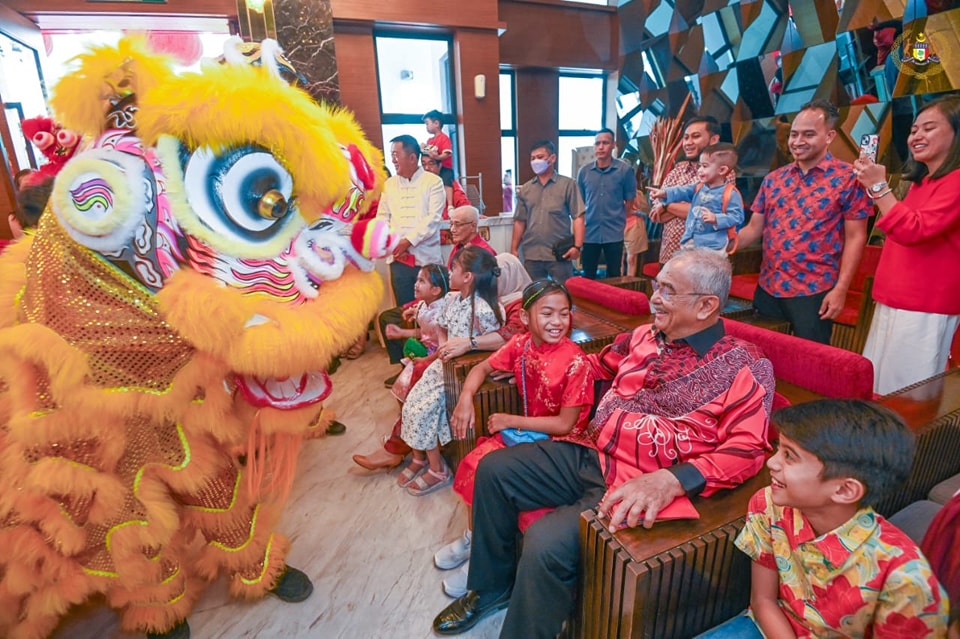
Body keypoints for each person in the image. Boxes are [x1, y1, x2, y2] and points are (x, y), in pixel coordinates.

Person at [432, 248, 776, 639]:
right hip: (591, 450)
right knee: (495, 469)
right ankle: (492, 588)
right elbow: (593, 366)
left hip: (638, 482)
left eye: (667, 290)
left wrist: (673, 480)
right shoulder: (643, 336)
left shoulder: (745, 365)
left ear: (706, 305)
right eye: (655, 286)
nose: (655, 298)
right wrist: (537, 364)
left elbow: (747, 451)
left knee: (545, 541)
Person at [695, 400, 949, 638]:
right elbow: (763, 600)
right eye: (779, 450)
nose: (772, 463)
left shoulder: (907, 580)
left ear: (844, 490)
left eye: (790, 456)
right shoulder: (769, 504)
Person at [435, 279, 595, 598]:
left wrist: (511, 420)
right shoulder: (522, 344)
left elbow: (566, 424)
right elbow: (481, 368)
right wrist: (466, 397)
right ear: (525, 318)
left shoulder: (576, 361)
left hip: (562, 447)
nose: (557, 322)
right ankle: (474, 537)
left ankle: (486, 558)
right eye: (547, 313)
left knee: (487, 463)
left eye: (564, 314)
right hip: (528, 436)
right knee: (475, 462)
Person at [351, 254, 530, 472]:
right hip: (451, 358)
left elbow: (508, 339)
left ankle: (408, 451)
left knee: (419, 381)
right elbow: (445, 326)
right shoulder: (471, 299)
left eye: (497, 274)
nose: (492, 278)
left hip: (469, 365)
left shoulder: (511, 305)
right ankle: (408, 446)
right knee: (414, 388)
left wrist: (466, 344)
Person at [737, 99, 870, 344]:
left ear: (829, 136)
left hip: (814, 290)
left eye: (808, 135)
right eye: (794, 134)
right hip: (768, 286)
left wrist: (840, 289)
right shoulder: (774, 179)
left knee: (810, 366)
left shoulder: (848, 179)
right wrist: (719, 245)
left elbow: (856, 237)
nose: (798, 142)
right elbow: (754, 229)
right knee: (760, 357)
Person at [853, 95, 960, 395]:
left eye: (929, 128)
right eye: (914, 130)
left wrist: (878, 187)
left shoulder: (956, 180)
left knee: (907, 398)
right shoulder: (922, 181)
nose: (916, 136)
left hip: (925, 304)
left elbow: (914, 229)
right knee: (877, 387)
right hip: (893, 296)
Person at [397, 246, 503, 496]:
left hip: (459, 372)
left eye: (453, 268)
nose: (449, 271)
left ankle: (437, 469)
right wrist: (444, 344)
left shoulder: (484, 309)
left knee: (423, 409)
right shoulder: (454, 300)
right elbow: (442, 327)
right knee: (410, 401)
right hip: (442, 365)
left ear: (467, 277)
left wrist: (465, 346)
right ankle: (419, 458)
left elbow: (498, 342)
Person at [375, 134, 445, 385]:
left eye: (396, 155)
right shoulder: (390, 184)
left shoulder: (432, 182)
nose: (393, 160)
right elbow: (383, 215)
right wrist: (385, 239)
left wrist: (408, 241)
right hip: (399, 261)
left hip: (425, 260)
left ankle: (432, 363)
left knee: (428, 314)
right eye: (392, 155)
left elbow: (433, 219)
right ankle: (406, 366)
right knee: (404, 312)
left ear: (413, 157)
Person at [650, 115, 730, 265]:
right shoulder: (677, 171)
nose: (688, 142)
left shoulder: (722, 172)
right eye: (686, 137)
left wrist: (667, 206)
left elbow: (706, 212)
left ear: (714, 140)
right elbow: (656, 213)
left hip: (701, 261)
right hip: (669, 256)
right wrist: (684, 208)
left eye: (695, 136)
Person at [647, 142, 743, 253]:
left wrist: (716, 218)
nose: (699, 170)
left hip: (713, 245)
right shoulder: (699, 187)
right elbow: (682, 191)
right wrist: (664, 193)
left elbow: (737, 217)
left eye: (705, 166)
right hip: (691, 239)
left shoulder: (730, 193)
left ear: (722, 170)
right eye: (700, 166)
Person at [510, 140, 584, 283]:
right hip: (532, 254)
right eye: (532, 158)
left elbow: (578, 217)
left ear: (552, 158)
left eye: (540, 157)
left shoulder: (568, 185)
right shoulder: (526, 189)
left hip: (559, 254)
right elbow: (519, 221)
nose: (535, 161)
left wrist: (577, 247)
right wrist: (513, 249)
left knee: (564, 294)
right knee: (534, 296)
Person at [576, 128, 638, 279]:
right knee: (588, 275)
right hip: (590, 232)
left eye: (605, 143)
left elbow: (630, 200)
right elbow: (581, 202)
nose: (601, 147)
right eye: (597, 143)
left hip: (614, 232)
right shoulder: (584, 172)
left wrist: (620, 218)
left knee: (614, 275)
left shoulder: (624, 170)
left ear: (613, 145)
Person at [384, 264, 449, 401]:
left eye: (421, 281)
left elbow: (444, 346)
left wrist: (425, 359)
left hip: (437, 356)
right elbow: (425, 333)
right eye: (417, 280)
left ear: (436, 290)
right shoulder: (423, 305)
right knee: (403, 385)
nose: (416, 284)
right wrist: (401, 332)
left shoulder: (441, 314)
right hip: (425, 351)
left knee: (411, 385)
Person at [445, 205, 495, 270]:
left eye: (457, 224)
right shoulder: (458, 247)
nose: (452, 229)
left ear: (473, 226)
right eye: (451, 224)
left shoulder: (484, 252)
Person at [423, 109, 455, 208]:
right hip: (434, 169)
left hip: (445, 167)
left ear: (436, 123)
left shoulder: (444, 138)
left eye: (427, 123)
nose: (426, 127)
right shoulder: (430, 140)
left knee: (447, 183)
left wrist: (437, 157)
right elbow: (427, 153)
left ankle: (449, 204)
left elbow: (447, 153)